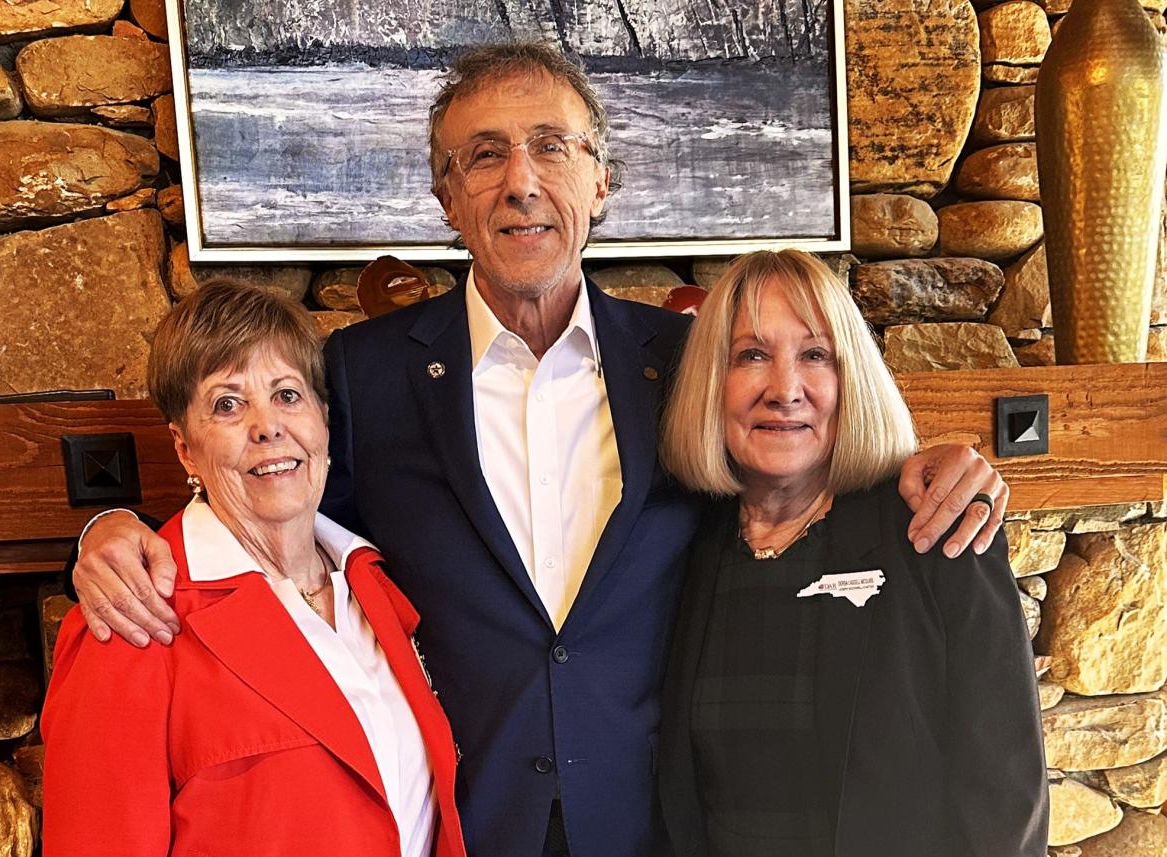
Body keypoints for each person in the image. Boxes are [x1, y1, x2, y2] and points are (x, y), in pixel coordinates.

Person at [68, 43, 1010, 857]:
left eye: (551, 147)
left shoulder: (687, 365)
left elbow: (798, 456)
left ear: (600, 180)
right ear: (446, 195)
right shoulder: (360, 374)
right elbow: (269, 498)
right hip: (472, 821)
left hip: (654, 822)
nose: (521, 179)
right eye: (484, 156)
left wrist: (917, 466)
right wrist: (112, 526)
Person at [41, 282, 466, 857]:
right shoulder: (133, 617)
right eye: (227, 404)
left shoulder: (376, 585)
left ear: (323, 422)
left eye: (287, 395)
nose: (267, 426)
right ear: (185, 448)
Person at [656, 249, 1047, 857]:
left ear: (851, 379)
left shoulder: (934, 528)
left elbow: (1004, 792)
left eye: (816, 356)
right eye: (751, 355)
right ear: (712, 382)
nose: (785, 390)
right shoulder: (687, 546)